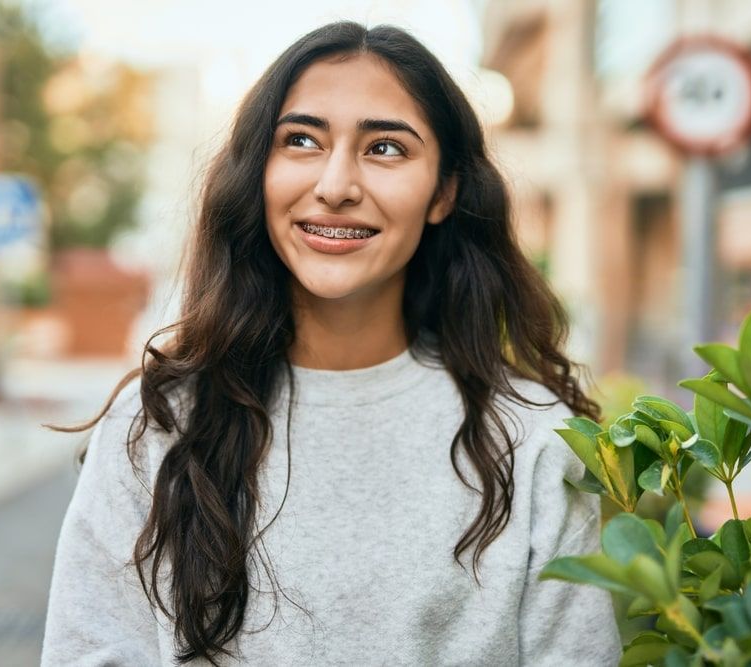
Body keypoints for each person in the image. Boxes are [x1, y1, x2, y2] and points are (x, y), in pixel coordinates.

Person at [41, 21, 621, 667]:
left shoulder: (532, 439)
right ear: (259, 172)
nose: (337, 184)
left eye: (386, 149)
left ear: (445, 192)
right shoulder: (157, 427)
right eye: (302, 141)